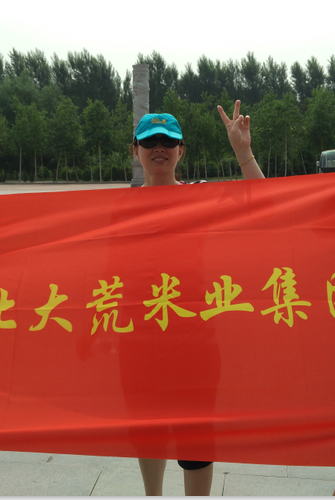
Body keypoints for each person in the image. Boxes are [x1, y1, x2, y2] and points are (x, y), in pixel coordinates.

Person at [129, 101, 263, 496]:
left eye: (167, 142)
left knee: (196, 435)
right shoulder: (120, 208)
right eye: (149, 142)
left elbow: (263, 203)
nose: (159, 148)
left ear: (181, 150)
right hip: (138, 340)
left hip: (195, 341)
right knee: (147, 431)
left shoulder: (202, 196)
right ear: (135, 150)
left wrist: (243, 152)